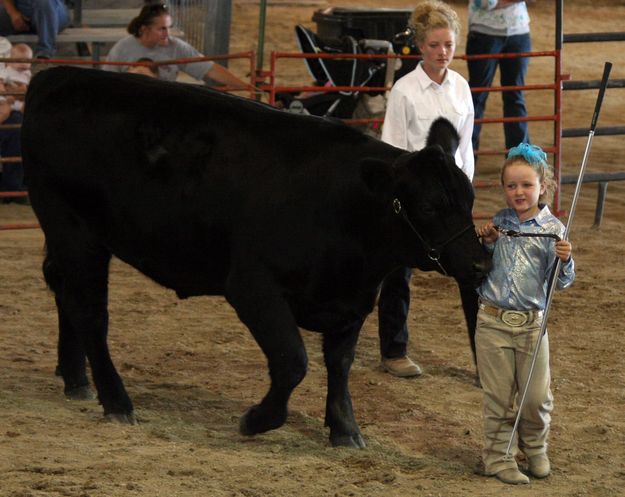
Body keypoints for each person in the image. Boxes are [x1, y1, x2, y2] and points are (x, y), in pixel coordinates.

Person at [378, 0, 474, 378]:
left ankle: (485, 359)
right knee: (397, 273)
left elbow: (466, 144)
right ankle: (394, 350)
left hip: (453, 199)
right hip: (416, 199)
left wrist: (465, 189)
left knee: (471, 273)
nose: (442, 53)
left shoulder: (461, 88)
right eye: (434, 45)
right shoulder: (404, 91)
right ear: (419, 46)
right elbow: (394, 146)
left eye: (448, 45)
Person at [475, 143, 575, 485]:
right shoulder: (499, 224)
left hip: (533, 326)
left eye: (526, 185)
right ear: (504, 188)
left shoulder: (554, 230)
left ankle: (535, 450)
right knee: (499, 398)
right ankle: (497, 458)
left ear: (542, 186)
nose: (519, 192)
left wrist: (565, 259)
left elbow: (560, 283)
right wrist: (486, 244)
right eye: (511, 186)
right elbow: (481, 269)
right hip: (491, 322)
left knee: (535, 398)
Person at [104, 2, 253, 90]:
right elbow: (107, 83)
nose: (167, 33)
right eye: (162, 28)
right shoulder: (122, 48)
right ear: (144, 29)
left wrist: (247, 87)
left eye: (169, 27)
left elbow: (210, 69)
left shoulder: (176, 46)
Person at [466, 0, 532, 156]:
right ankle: (467, 156)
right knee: (477, 96)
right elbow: (485, 3)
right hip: (485, 33)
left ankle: (519, 158)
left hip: (518, 31)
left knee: (514, 96)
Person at [0, 39, 29, 202]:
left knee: (17, 127)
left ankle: (13, 188)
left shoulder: (4, 45)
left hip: (8, 104)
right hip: (5, 101)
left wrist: (13, 92)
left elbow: (21, 88)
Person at [0, 0, 69, 59]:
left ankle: (45, 53)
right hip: (21, 7)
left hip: (52, 10)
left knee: (45, 3)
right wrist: (13, 13)